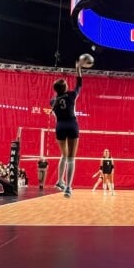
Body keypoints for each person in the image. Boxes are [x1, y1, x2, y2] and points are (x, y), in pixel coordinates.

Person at [51, 59, 84, 198]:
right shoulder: (71, 95)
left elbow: (54, 113)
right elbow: (79, 84)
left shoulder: (52, 101)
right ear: (65, 88)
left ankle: (59, 181)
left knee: (63, 155)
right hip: (71, 125)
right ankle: (68, 188)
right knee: (71, 158)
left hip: (60, 126)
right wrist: (78, 69)